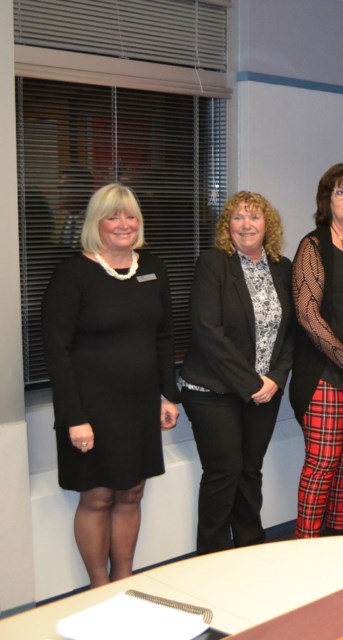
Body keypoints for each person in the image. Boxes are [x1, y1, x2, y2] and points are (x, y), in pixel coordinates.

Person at [42, 183, 179, 587]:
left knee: (131, 492)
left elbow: (164, 336)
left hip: (138, 404)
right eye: (113, 216)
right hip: (90, 408)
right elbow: (57, 349)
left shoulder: (153, 267)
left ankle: (123, 580)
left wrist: (168, 394)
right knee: (97, 496)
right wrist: (73, 417)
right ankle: (97, 589)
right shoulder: (73, 274)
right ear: (95, 224)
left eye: (130, 215)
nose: (124, 224)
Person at [179, 191, 294, 555]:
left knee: (249, 472)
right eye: (238, 218)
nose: (246, 225)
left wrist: (275, 378)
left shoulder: (282, 266)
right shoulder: (214, 263)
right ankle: (211, 557)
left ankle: (249, 550)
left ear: (268, 225)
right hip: (212, 390)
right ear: (227, 226)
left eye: (254, 217)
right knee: (224, 473)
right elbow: (207, 330)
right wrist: (251, 383)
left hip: (265, 390)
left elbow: (291, 330)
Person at [289, 164, 343, 538]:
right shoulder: (313, 244)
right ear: (328, 199)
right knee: (324, 461)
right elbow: (308, 315)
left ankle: (336, 539)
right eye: (342, 192)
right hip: (325, 371)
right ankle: (306, 545)